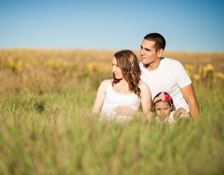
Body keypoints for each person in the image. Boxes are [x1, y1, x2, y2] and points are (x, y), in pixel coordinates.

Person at [139, 33, 200, 121]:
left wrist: (198, 128)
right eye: (141, 48)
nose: (142, 53)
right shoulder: (137, 68)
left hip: (179, 117)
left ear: (159, 52)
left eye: (147, 50)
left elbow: (191, 99)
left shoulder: (174, 66)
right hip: (155, 119)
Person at [92, 49, 151, 122]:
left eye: (117, 66)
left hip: (129, 131)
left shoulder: (142, 87)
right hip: (104, 129)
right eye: (113, 65)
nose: (113, 70)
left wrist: (134, 113)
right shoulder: (105, 84)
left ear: (129, 65)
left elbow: (149, 117)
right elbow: (94, 113)